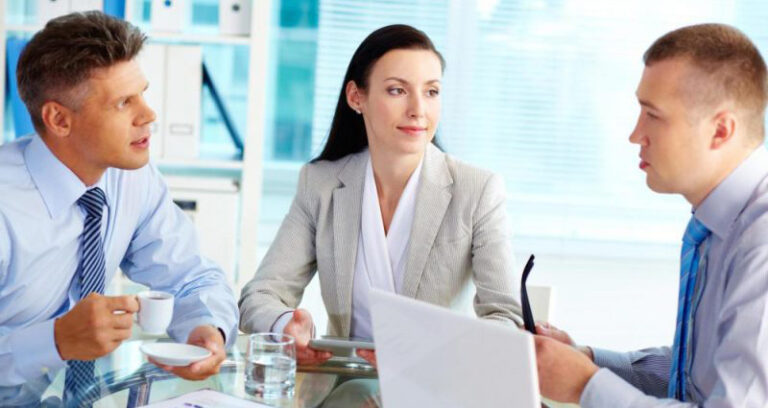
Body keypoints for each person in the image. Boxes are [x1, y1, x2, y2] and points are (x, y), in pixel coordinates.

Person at [238, 24, 523, 369]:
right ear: (357, 97)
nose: (419, 109)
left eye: (431, 92)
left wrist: (443, 347)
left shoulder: (477, 190)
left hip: (436, 382)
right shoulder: (320, 184)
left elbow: (506, 316)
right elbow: (259, 296)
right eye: (397, 90)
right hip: (345, 385)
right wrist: (287, 325)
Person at [0, 11, 238, 404]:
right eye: (124, 102)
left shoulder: (130, 176)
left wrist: (204, 327)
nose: (148, 115)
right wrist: (54, 340)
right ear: (59, 119)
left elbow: (192, 276)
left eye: (142, 93)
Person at [535, 23, 768, 407]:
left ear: (720, 130)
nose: (635, 134)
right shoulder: (718, 224)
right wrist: (586, 361)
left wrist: (587, 387)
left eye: (653, 116)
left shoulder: (759, 241)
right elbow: (697, 374)